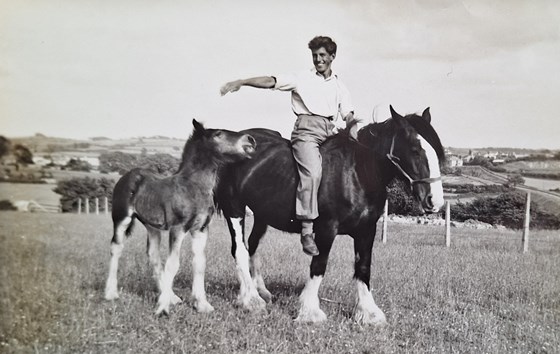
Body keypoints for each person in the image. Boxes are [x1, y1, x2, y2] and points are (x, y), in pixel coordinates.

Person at [220, 36, 356, 256]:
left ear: (333, 57)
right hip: (307, 133)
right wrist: (242, 82)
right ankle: (306, 229)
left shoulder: (340, 86)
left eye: (322, 55)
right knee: (312, 172)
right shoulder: (301, 78)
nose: (318, 60)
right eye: (315, 56)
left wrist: (353, 130)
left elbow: (348, 114)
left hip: (330, 133)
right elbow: (271, 80)